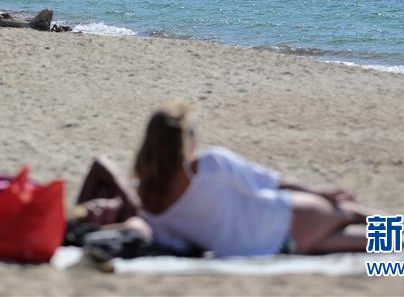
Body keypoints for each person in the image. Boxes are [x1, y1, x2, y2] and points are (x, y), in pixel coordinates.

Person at [135, 103, 389, 257]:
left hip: (280, 248)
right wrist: (321, 192)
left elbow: (179, 244)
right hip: (290, 217)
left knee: (369, 238)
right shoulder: (210, 164)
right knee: (355, 215)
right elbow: (272, 182)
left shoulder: (149, 202)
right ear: (184, 141)